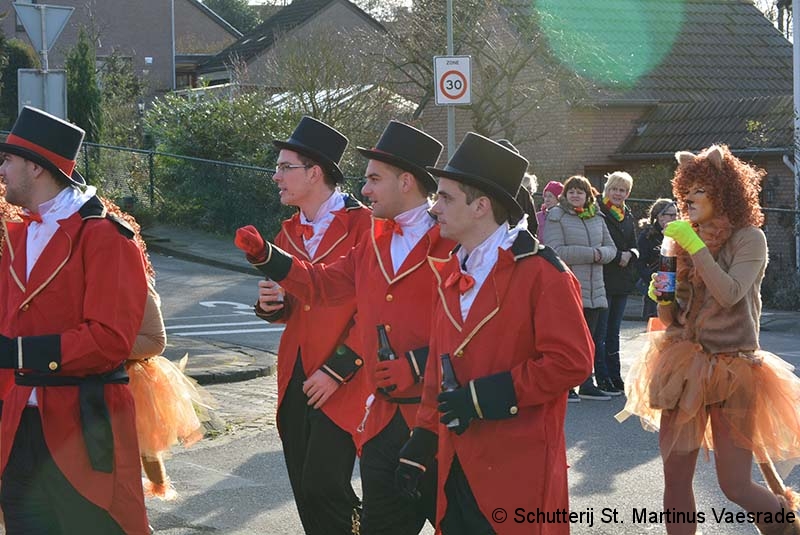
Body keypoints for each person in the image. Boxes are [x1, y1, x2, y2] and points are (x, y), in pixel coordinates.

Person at [235, 120, 451, 535]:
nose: (364, 189)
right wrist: (267, 260)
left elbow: (469, 334)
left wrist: (349, 368)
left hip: (421, 410)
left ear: (406, 182)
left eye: (373, 179)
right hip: (378, 413)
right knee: (354, 511)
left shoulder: (447, 241)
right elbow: (321, 284)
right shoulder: (372, 236)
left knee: (454, 519)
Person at [395, 133, 593, 534]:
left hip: (517, 467)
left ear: (480, 206)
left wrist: (489, 395)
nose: (434, 208)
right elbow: (439, 367)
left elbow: (573, 362)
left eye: (446, 198)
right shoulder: (451, 271)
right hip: (456, 462)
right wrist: (423, 439)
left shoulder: (544, 272)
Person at [618, 145, 800, 535]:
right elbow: (672, 320)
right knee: (675, 478)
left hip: (735, 367)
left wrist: (696, 247)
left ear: (724, 192)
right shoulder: (680, 241)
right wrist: (663, 297)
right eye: (686, 190)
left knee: (734, 485)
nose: (688, 199)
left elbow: (730, 293)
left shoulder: (750, 239)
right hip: (684, 366)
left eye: (699, 190)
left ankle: (787, 528)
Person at [0, 106, 150, 533]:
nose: (1, 170)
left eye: (8, 159)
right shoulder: (18, 235)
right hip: (18, 428)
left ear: (36, 166)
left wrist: (19, 353)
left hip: (82, 429)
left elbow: (109, 340)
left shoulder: (107, 236)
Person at [247, 116, 372, 534]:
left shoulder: (366, 226)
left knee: (323, 484)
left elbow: (375, 311)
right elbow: (293, 307)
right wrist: (271, 305)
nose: (276, 176)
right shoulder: (288, 231)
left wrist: (338, 370)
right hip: (296, 373)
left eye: (285, 167)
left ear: (315, 172)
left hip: (346, 375)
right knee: (304, 484)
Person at [101, 199, 214, 502]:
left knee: (141, 444)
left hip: (133, 375)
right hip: (101, 375)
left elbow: (155, 340)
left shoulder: (138, 284)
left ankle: (148, 495)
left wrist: (103, 347)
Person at [543, 175, 616, 402]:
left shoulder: (597, 217)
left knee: (589, 341)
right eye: (571, 191)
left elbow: (611, 249)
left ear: (588, 196)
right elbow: (555, 250)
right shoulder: (556, 216)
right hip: (569, 289)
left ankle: (586, 383)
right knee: (568, 341)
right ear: (565, 195)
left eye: (580, 192)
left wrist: (601, 254)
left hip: (595, 290)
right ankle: (565, 387)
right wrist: (593, 254)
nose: (575, 195)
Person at [594, 171, 639, 396]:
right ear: (607, 189)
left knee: (614, 332)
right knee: (601, 333)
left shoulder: (627, 214)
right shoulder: (598, 212)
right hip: (603, 278)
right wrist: (617, 255)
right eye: (614, 189)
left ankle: (615, 375)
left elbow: (635, 244)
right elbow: (599, 242)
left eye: (622, 190)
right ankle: (602, 377)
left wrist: (630, 254)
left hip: (622, 280)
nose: (618, 193)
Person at [635, 198, 677, 319]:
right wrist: (653, 280)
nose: (675, 218)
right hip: (654, 288)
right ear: (660, 216)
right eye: (671, 215)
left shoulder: (678, 234)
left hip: (675, 287)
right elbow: (640, 263)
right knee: (654, 320)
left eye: (676, 214)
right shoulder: (647, 236)